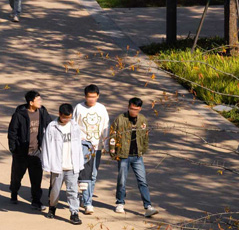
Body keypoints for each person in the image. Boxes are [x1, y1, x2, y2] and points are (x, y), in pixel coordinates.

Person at [109, 96, 158, 217]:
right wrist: (113, 152)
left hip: (137, 156)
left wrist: (143, 149)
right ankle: (120, 203)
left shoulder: (142, 120)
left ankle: (148, 206)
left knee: (143, 181)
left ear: (140, 109)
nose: (133, 111)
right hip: (123, 155)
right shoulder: (120, 119)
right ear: (128, 107)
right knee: (122, 180)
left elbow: (145, 136)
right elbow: (112, 135)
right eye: (131, 108)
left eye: (136, 109)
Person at [7, 90, 52, 209]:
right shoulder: (19, 114)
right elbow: (12, 132)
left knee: (36, 178)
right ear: (31, 102)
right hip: (21, 152)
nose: (40, 102)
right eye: (38, 100)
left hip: (36, 152)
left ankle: (36, 201)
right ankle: (14, 192)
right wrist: (13, 148)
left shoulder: (42, 111)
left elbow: (50, 125)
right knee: (17, 176)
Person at [40, 103, 84, 223]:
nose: (66, 120)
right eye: (64, 117)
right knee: (55, 190)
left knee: (73, 191)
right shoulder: (52, 127)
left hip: (72, 165)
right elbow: (46, 145)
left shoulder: (74, 126)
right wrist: (46, 164)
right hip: (57, 166)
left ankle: (74, 213)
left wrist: (80, 162)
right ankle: (52, 207)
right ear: (59, 114)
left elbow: (78, 146)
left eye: (69, 117)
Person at [74, 85, 109, 214]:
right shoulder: (79, 108)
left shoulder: (101, 108)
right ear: (85, 96)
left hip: (97, 146)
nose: (91, 99)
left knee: (93, 174)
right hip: (84, 147)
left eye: (94, 97)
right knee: (85, 175)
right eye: (89, 97)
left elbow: (106, 127)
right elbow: (74, 125)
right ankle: (88, 203)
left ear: (98, 96)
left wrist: (105, 145)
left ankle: (85, 199)